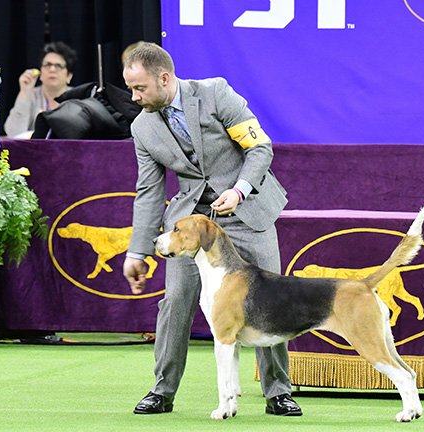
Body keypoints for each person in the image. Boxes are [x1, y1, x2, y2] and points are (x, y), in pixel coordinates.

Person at [122, 43, 302, 417]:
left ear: (164, 78)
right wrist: (137, 252)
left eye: (140, 88)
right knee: (175, 301)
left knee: (268, 299)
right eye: (131, 88)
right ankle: (162, 390)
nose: (134, 97)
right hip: (191, 224)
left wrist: (239, 190)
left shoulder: (216, 92)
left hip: (246, 208)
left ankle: (278, 392)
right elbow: (149, 192)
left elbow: (259, 148)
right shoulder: (142, 128)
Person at [3, 41, 77, 137]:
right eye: (47, 65)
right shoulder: (31, 95)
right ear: (40, 72)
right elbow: (14, 133)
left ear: (69, 76)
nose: (52, 70)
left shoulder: (77, 99)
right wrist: (25, 92)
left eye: (58, 66)